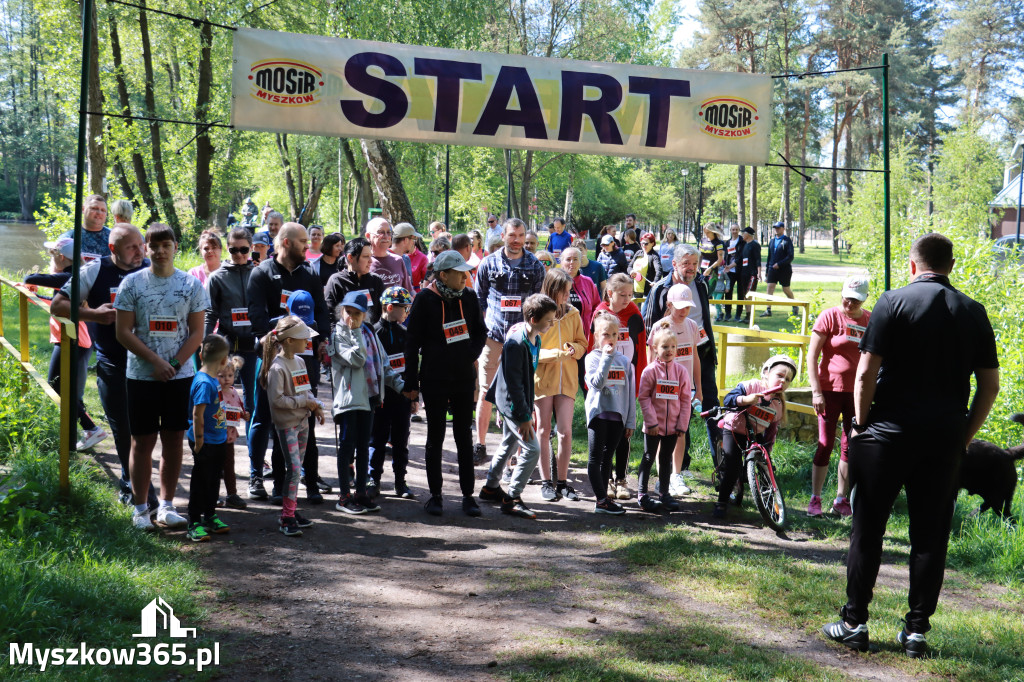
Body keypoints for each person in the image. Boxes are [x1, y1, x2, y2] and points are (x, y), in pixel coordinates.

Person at [822, 233, 999, 658]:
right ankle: (916, 631)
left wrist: (861, 424)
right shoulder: (974, 311)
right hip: (942, 438)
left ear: (912, 264)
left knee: (868, 530)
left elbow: (865, 375)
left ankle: (854, 622)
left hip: (886, 434)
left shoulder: (891, 302)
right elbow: (989, 388)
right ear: (952, 265)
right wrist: (963, 436)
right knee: (930, 536)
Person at [114, 223, 208, 531]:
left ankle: (167, 506)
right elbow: (123, 332)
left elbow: (197, 333)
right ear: (145, 248)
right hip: (141, 375)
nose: (160, 251)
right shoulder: (132, 284)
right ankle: (141, 509)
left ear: (176, 246)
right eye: (153, 245)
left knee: (173, 440)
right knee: (142, 442)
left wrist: (176, 363)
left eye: (166, 244)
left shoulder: (191, 285)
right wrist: (155, 361)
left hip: (179, 377)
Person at [51, 224, 151, 505]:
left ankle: (135, 482)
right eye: (131, 247)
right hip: (113, 363)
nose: (138, 252)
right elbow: (57, 305)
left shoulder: (151, 269)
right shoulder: (95, 271)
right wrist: (93, 314)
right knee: (123, 427)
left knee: (146, 427)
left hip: (150, 362)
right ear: (112, 249)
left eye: (141, 245)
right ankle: (133, 485)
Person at [246, 223, 331, 503]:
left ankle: (309, 481)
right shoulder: (260, 275)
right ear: (285, 242)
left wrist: (322, 342)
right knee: (266, 418)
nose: (308, 246)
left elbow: (321, 312)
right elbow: (257, 323)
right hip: (272, 359)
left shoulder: (310, 274)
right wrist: (289, 327)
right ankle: (258, 475)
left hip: (305, 360)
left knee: (305, 414)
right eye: (302, 242)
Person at [404, 251, 486, 517]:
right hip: (434, 379)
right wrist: (411, 381)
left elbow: (481, 333)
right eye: (460, 273)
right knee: (435, 437)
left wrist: (468, 356)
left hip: (463, 378)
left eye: (466, 272)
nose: (465, 277)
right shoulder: (424, 299)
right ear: (443, 275)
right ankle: (436, 495)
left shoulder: (470, 297)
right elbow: (411, 343)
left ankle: (468, 496)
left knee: (464, 437)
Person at [642, 244, 720, 490]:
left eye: (695, 264)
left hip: (698, 350)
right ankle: (672, 472)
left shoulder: (701, 284)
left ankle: (721, 467)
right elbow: (650, 332)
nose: (692, 269)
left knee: (709, 407)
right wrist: (651, 371)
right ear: (674, 264)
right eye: (687, 264)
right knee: (669, 416)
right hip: (667, 361)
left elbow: (704, 317)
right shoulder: (660, 289)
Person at [478, 293, 558, 520]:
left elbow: (526, 377)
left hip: (519, 401)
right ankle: (512, 498)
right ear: (533, 319)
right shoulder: (515, 344)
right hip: (512, 403)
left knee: (509, 442)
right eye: (549, 320)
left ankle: (490, 487)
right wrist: (524, 415)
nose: (552, 324)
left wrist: (528, 405)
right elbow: (513, 384)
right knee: (532, 448)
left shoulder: (536, 337)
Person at [472, 218, 546, 464]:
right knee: (485, 392)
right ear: (502, 235)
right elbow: (478, 299)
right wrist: (483, 329)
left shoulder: (535, 266)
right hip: (493, 338)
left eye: (521, 235)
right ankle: (480, 444)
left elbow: (538, 304)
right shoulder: (487, 263)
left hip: (522, 341)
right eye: (512, 235)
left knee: (520, 393)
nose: (516, 240)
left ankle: (516, 453)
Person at [329, 291, 410, 514]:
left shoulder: (369, 332)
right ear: (341, 311)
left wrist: (402, 387)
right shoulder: (339, 334)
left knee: (364, 446)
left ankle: (361, 493)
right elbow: (356, 359)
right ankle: (344, 496)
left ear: (365, 315)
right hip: (349, 400)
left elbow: (383, 364)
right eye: (348, 312)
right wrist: (355, 331)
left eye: (357, 313)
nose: (352, 317)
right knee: (347, 447)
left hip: (370, 397)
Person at [25, 238, 105, 451]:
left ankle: (91, 429)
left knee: (58, 384)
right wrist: (34, 296)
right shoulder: (70, 277)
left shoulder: (71, 276)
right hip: (69, 338)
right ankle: (89, 428)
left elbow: (29, 276)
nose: (50, 260)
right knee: (60, 385)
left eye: (52, 255)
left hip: (74, 339)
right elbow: (57, 304)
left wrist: (31, 282)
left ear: (61, 257)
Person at [806, 275, 871, 517]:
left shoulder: (869, 320)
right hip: (829, 391)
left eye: (855, 300)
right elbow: (812, 356)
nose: (849, 304)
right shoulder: (829, 316)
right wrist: (816, 391)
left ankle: (841, 499)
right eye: (847, 298)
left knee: (850, 446)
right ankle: (815, 498)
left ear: (864, 299)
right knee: (825, 444)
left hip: (856, 394)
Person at [260, 315, 325, 537]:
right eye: (303, 338)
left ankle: (292, 511)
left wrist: (315, 406)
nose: (307, 342)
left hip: (303, 422)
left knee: (296, 470)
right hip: (287, 425)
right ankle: (286, 516)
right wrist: (304, 402)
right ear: (288, 341)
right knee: (295, 469)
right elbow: (277, 401)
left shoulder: (299, 362)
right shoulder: (277, 369)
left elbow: (304, 388)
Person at [715, 355, 796, 519]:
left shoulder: (777, 404)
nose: (782, 381)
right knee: (733, 466)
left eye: (787, 379)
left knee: (767, 469)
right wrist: (746, 399)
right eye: (779, 375)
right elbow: (729, 399)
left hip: (755, 434)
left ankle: (772, 507)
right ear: (766, 373)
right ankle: (721, 502)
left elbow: (772, 431)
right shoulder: (751, 385)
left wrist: (767, 452)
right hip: (734, 429)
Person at [534, 269, 587, 502]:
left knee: (565, 432)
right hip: (542, 380)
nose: (569, 295)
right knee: (543, 430)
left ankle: (563, 482)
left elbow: (583, 342)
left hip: (567, 380)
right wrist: (555, 354)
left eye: (570, 291)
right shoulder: (537, 313)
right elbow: (531, 349)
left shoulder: (574, 314)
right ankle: (546, 482)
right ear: (553, 290)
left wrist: (576, 349)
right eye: (565, 292)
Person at [593, 273, 647, 500]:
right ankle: (605, 481)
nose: (627, 299)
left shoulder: (635, 314)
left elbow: (642, 351)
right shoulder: (600, 314)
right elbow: (591, 347)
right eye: (622, 295)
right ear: (609, 293)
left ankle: (622, 479)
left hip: (626, 384)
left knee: (624, 433)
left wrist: (638, 384)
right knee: (605, 435)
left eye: (630, 294)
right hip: (604, 385)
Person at [648, 284, 703, 497]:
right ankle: (662, 476)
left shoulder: (692, 325)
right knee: (662, 433)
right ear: (669, 304)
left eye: (687, 306)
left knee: (680, 432)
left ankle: (676, 475)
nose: (683, 310)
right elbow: (651, 361)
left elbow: (695, 357)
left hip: (685, 390)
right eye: (679, 306)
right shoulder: (660, 327)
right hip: (663, 389)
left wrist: (697, 388)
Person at [205, 228, 257, 433]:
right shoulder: (217, 277)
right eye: (234, 250)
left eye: (244, 250)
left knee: (252, 399)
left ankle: (256, 454)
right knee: (223, 396)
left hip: (254, 347)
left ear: (251, 248)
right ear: (228, 249)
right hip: (227, 346)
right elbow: (210, 314)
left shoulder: (259, 273)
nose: (239, 255)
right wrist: (205, 344)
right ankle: (223, 443)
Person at [584, 311, 636, 515]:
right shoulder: (592, 358)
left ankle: (603, 501)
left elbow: (630, 393)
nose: (611, 339)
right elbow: (596, 384)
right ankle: (601, 500)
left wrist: (630, 421)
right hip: (599, 415)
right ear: (597, 336)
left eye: (615, 334)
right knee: (595, 458)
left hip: (618, 418)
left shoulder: (625, 361)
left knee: (608, 459)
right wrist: (606, 358)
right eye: (606, 334)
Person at [637, 327, 692, 513]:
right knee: (648, 457)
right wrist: (651, 422)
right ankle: (642, 494)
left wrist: (682, 424)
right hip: (653, 427)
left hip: (673, 427)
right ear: (654, 348)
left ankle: (664, 493)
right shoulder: (649, 371)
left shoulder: (682, 372)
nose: (669, 350)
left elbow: (685, 400)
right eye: (664, 346)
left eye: (673, 346)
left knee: (666, 459)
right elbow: (643, 398)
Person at [367, 286, 415, 499]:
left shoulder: (407, 334)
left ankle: (400, 481)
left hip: (402, 397)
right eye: (404, 308)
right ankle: (373, 479)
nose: (407, 312)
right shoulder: (373, 333)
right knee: (376, 440)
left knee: (400, 440)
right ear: (389, 307)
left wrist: (415, 394)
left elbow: (413, 366)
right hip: (380, 398)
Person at [185, 333, 233, 542]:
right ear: (224, 361)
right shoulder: (204, 382)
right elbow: (197, 413)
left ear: (200, 354)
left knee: (214, 479)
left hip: (218, 439)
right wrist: (199, 439)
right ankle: (194, 521)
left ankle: (210, 515)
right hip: (204, 441)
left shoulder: (213, 380)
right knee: (201, 480)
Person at [559, 246, 599, 393]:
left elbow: (596, 307)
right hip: (561, 342)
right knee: (562, 385)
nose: (571, 263)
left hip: (584, 341)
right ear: (561, 261)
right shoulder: (555, 281)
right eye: (568, 259)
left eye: (575, 259)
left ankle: (592, 414)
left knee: (587, 383)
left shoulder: (588, 282)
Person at [325, 237, 385, 326]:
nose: (371, 261)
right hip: (344, 335)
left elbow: (382, 312)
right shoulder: (336, 281)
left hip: (371, 335)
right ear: (350, 257)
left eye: (371, 256)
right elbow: (329, 314)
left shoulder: (376, 280)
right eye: (365, 256)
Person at [216, 354, 248, 509]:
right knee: (214, 467)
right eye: (221, 376)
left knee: (229, 466)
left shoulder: (234, 392)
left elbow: (239, 408)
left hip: (229, 436)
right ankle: (212, 495)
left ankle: (232, 494)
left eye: (230, 375)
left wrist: (244, 415)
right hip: (214, 436)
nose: (226, 379)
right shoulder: (215, 392)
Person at [366, 217, 413, 291]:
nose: (386, 236)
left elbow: (408, 291)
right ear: (368, 236)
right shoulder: (363, 261)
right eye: (381, 232)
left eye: (388, 232)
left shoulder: (398, 260)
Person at [59, 194, 108, 263]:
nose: (99, 213)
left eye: (103, 210)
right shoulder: (68, 238)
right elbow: (56, 268)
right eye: (94, 208)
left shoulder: (114, 238)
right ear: (83, 209)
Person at [761, 221, 796, 317]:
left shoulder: (787, 241)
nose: (776, 229)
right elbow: (769, 257)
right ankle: (768, 309)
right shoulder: (772, 241)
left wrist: (779, 264)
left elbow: (790, 256)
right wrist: (767, 272)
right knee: (770, 288)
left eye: (778, 228)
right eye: (775, 228)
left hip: (784, 270)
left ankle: (795, 305)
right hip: (772, 269)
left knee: (786, 289)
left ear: (783, 229)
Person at [698, 224, 726, 318]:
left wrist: (710, 269)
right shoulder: (702, 241)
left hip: (712, 271)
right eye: (705, 232)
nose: (706, 234)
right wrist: (697, 267)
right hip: (701, 269)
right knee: (700, 291)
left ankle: (710, 314)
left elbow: (720, 260)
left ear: (713, 231)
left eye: (708, 232)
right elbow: (700, 255)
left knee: (708, 292)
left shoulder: (719, 243)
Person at [734, 227, 761, 321]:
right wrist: (729, 266)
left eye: (743, 233)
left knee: (749, 295)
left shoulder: (755, 245)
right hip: (744, 274)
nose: (742, 235)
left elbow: (758, 260)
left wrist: (759, 273)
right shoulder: (745, 245)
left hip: (752, 274)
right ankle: (747, 315)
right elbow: (740, 259)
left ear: (748, 234)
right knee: (745, 295)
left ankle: (750, 316)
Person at [629, 231, 664, 300]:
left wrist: (655, 282)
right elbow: (629, 266)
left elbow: (659, 271)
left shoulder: (654, 256)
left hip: (647, 291)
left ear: (652, 243)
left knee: (644, 310)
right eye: (642, 243)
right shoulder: (638, 253)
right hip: (635, 289)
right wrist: (631, 271)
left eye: (646, 244)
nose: (643, 246)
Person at [392, 222, 427, 292]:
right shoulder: (385, 257)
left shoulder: (406, 259)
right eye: (413, 239)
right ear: (406, 240)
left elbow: (409, 288)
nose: (414, 242)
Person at [723, 224, 741, 320]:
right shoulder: (727, 243)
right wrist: (726, 266)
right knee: (728, 292)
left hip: (740, 271)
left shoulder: (742, 242)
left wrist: (731, 265)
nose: (734, 231)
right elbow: (726, 256)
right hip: (729, 271)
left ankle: (738, 315)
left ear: (739, 230)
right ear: (730, 230)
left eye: (736, 230)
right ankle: (728, 314)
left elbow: (740, 257)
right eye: (733, 229)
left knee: (740, 294)